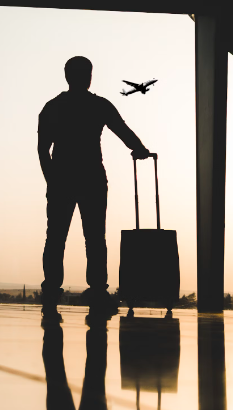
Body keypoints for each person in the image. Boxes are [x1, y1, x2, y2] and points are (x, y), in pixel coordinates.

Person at [38, 56, 150, 322]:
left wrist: (51, 179)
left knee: (56, 238)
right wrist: (140, 149)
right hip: (91, 178)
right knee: (95, 239)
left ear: (67, 76)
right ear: (89, 76)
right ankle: (98, 292)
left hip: (62, 178)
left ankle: (51, 292)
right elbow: (121, 130)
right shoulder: (98, 105)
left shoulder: (53, 107)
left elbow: (43, 149)